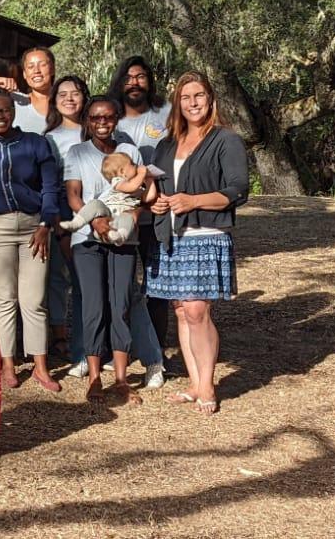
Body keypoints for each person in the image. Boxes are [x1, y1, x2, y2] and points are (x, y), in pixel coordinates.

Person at [148, 71, 249, 416]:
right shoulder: (166, 145)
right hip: (170, 235)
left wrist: (193, 201)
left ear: (211, 99)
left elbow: (238, 190)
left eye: (199, 96)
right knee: (180, 310)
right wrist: (155, 202)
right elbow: (156, 189)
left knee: (197, 310)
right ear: (178, 103)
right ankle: (193, 383)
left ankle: (207, 384)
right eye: (186, 97)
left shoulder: (225, 140)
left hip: (205, 235)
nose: (193, 103)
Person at [64, 97, 165, 405]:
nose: (102, 123)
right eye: (95, 118)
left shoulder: (130, 152)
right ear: (87, 121)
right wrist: (96, 222)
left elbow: (140, 197)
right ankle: (95, 377)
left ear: (116, 119)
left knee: (120, 303)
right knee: (94, 306)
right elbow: (73, 195)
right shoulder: (77, 153)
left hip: (123, 240)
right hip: (88, 239)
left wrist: (129, 221)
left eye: (108, 117)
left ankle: (121, 379)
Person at [0, 89, 62, 391]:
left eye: (4, 110)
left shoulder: (36, 143)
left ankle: (41, 366)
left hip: (34, 227)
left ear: (13, 110)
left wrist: (45, 223)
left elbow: (51, 187)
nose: (0, 116)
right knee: (4, 299)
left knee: (34, 299)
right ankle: (7, 365)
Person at [107, 55, 174, 350]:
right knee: (117, 286)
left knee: (156, 285)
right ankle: (116, 347)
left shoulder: (166, 113)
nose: (134, 83)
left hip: (156, 213)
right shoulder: (109, 117)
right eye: (129, 77)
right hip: (119, 215)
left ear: (150, 80)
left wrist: (161, 198)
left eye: (141, 77)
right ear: (120, 82)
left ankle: (156, 348)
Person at [43, 74, 92, 375]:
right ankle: (68, 342)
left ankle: (96, 345)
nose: (70, 98)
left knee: (92, 286)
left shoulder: (98, 128)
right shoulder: (51, 137)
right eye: (63, 94)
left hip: (98, 211)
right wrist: (61, 225)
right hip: (65, 215)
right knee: (62, 280)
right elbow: (51, 183)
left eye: (75, 93)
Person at [11, 47, 56, 136]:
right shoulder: (15, 100)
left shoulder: (67, 103)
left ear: (52, 69)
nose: (36, 71)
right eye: (30, 66)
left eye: (42, 65)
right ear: (24, 74)